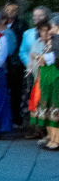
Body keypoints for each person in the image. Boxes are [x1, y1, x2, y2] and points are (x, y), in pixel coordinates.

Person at [28, 20, 59, 149]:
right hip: (47, 77)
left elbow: (55, 57)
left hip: (56, 77)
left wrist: (39, 57)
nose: (49, 31)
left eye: (51, 27)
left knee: (55, 107)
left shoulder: (57, 39)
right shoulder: (53, 39)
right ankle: (51, 138)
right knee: (47, 108)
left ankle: (56, 140)